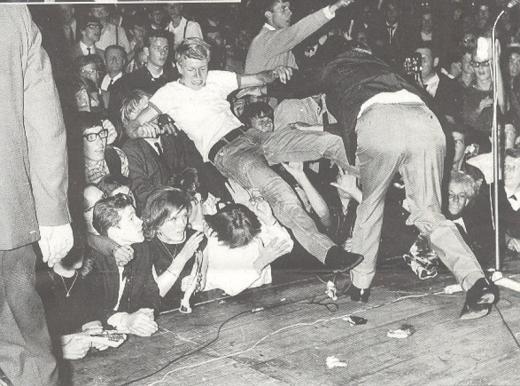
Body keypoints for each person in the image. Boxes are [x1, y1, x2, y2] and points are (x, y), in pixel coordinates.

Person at [127, 37, 363, 272]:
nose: (198, 76)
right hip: (227, 153)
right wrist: (139, 129)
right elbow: (130, 126)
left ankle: (376, 181)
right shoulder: (169, 93)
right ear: (178, 66)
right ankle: (330, 254)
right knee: (280, 192)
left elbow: (259, 78)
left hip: (253, 135)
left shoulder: (216, 78)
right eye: (191, 70)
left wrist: (276, 71)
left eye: (203, 68)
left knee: (326, 141)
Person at [321, 46, 496, 319]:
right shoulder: (388, 67)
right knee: (429, 212)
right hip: (425, 121)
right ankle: (475, 282)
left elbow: (300, 87)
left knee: (371, 205)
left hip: (379, 121)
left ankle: (361, 283)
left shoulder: (334, 66)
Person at [0, 6, 73, 385]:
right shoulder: (11, 12)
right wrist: (52, 211)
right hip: (5, 217)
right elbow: (44, 122)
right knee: (26, 357)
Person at [86, 194, 159, 337]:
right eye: (132, 218)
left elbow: (151, 292)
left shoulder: (142, 250)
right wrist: (126, 320)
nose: (140, 221)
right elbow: (89, 308)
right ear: (113, 231)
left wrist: (146, 313)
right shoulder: (93, 260)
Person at [202, 202, 293, 296]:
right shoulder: (214, 243)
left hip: (262, 292)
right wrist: (261, 262)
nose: (248, 240)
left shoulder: (247, 226)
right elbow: (231, 287)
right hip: (224, 301)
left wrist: (270, 221)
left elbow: (286, 247)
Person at [245, 0, 354, 74]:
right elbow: (297, 32)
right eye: (283, 9)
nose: (290, 12)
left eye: (289, 8)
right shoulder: (266, 39)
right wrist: (334, 7)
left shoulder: (282, 45)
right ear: (268, 14)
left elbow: (296, 74)